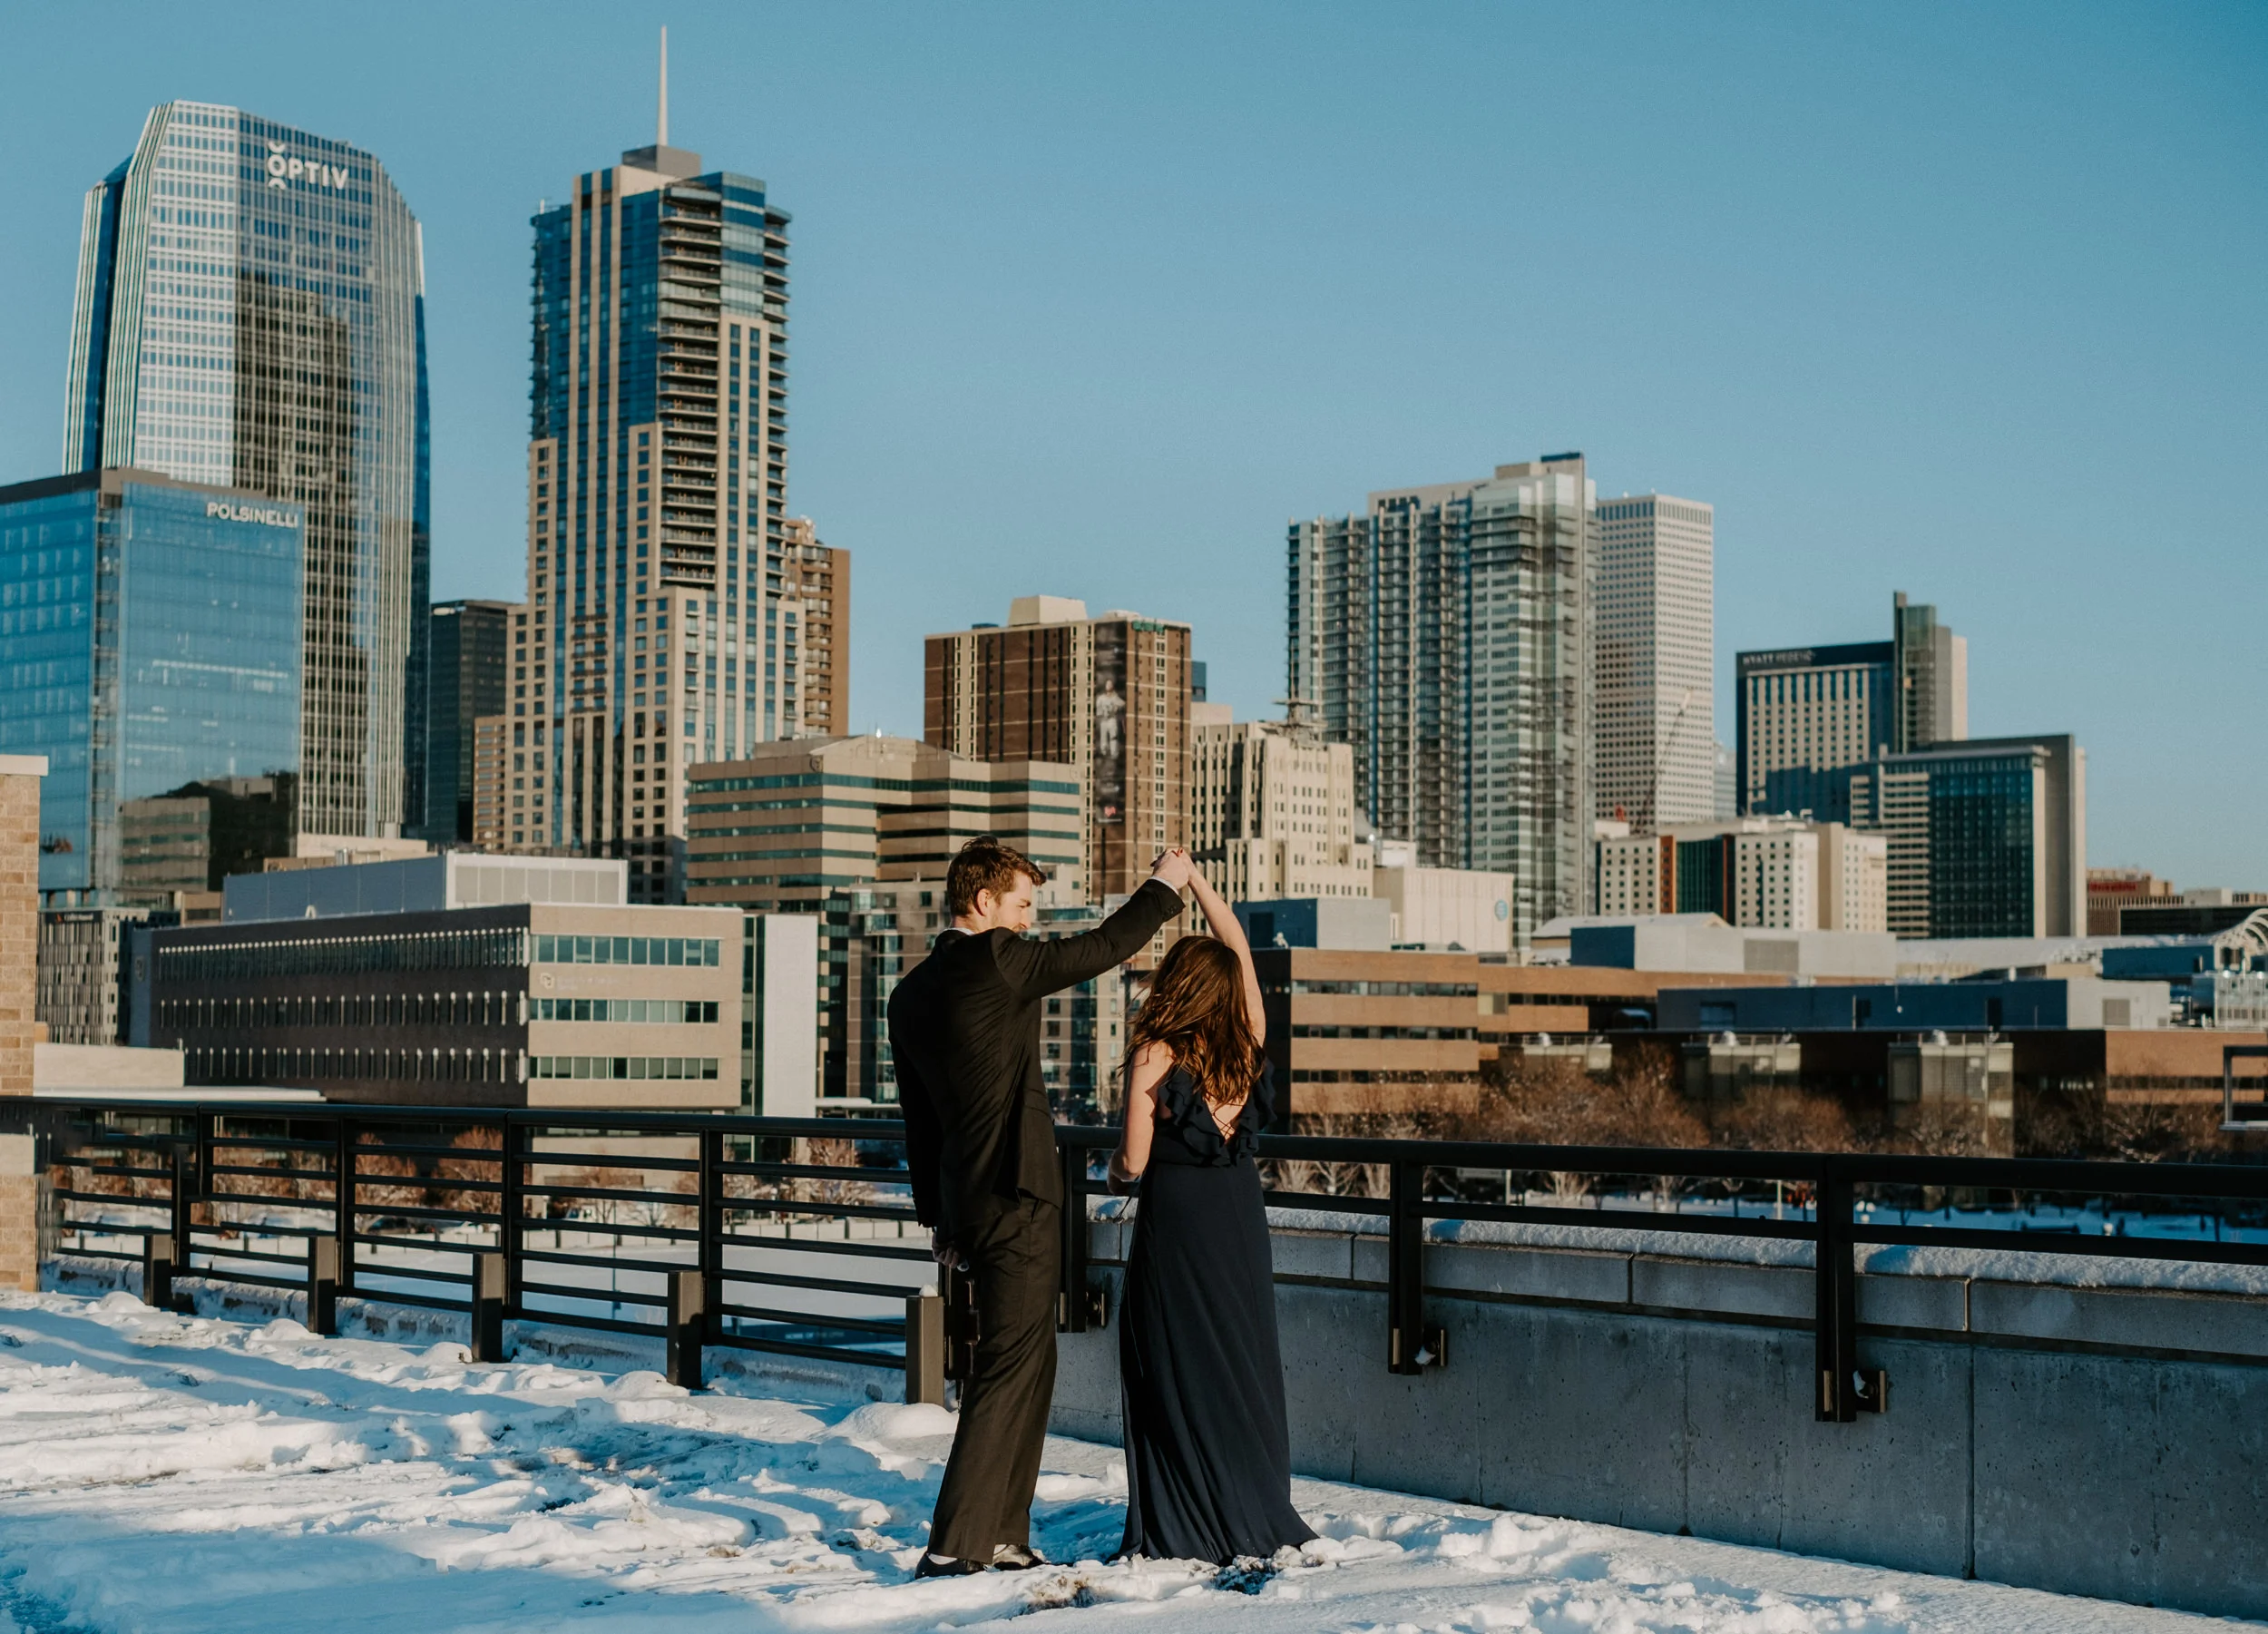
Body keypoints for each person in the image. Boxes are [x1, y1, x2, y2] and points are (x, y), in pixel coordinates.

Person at [889, 836, 1194, 1578]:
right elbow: (1104, 945)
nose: (1029, 921)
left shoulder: (911, 991)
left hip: (973, 1201)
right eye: (1023, 905)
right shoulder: (998, 957)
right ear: (984, 901)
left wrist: (941, 1217)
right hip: (1020, 1197)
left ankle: (1001, 1534)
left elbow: (919, 1119)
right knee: (1008, 1365)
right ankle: (956, 1542)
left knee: (1028, 1362)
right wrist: (1165, 886)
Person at [1109, 866, 1315, 1564]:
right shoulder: (1246, 1042)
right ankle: (1252, 1498)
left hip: (1178, 1222)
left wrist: (1112, 1170)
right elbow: (1243, 949)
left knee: (1166, 1359)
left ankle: (1187, 1517)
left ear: (1175, 985)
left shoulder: (1154, 1052)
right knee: (1241, 1360)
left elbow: (1132, 1162)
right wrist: (1198, 883)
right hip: (1239, 1217)